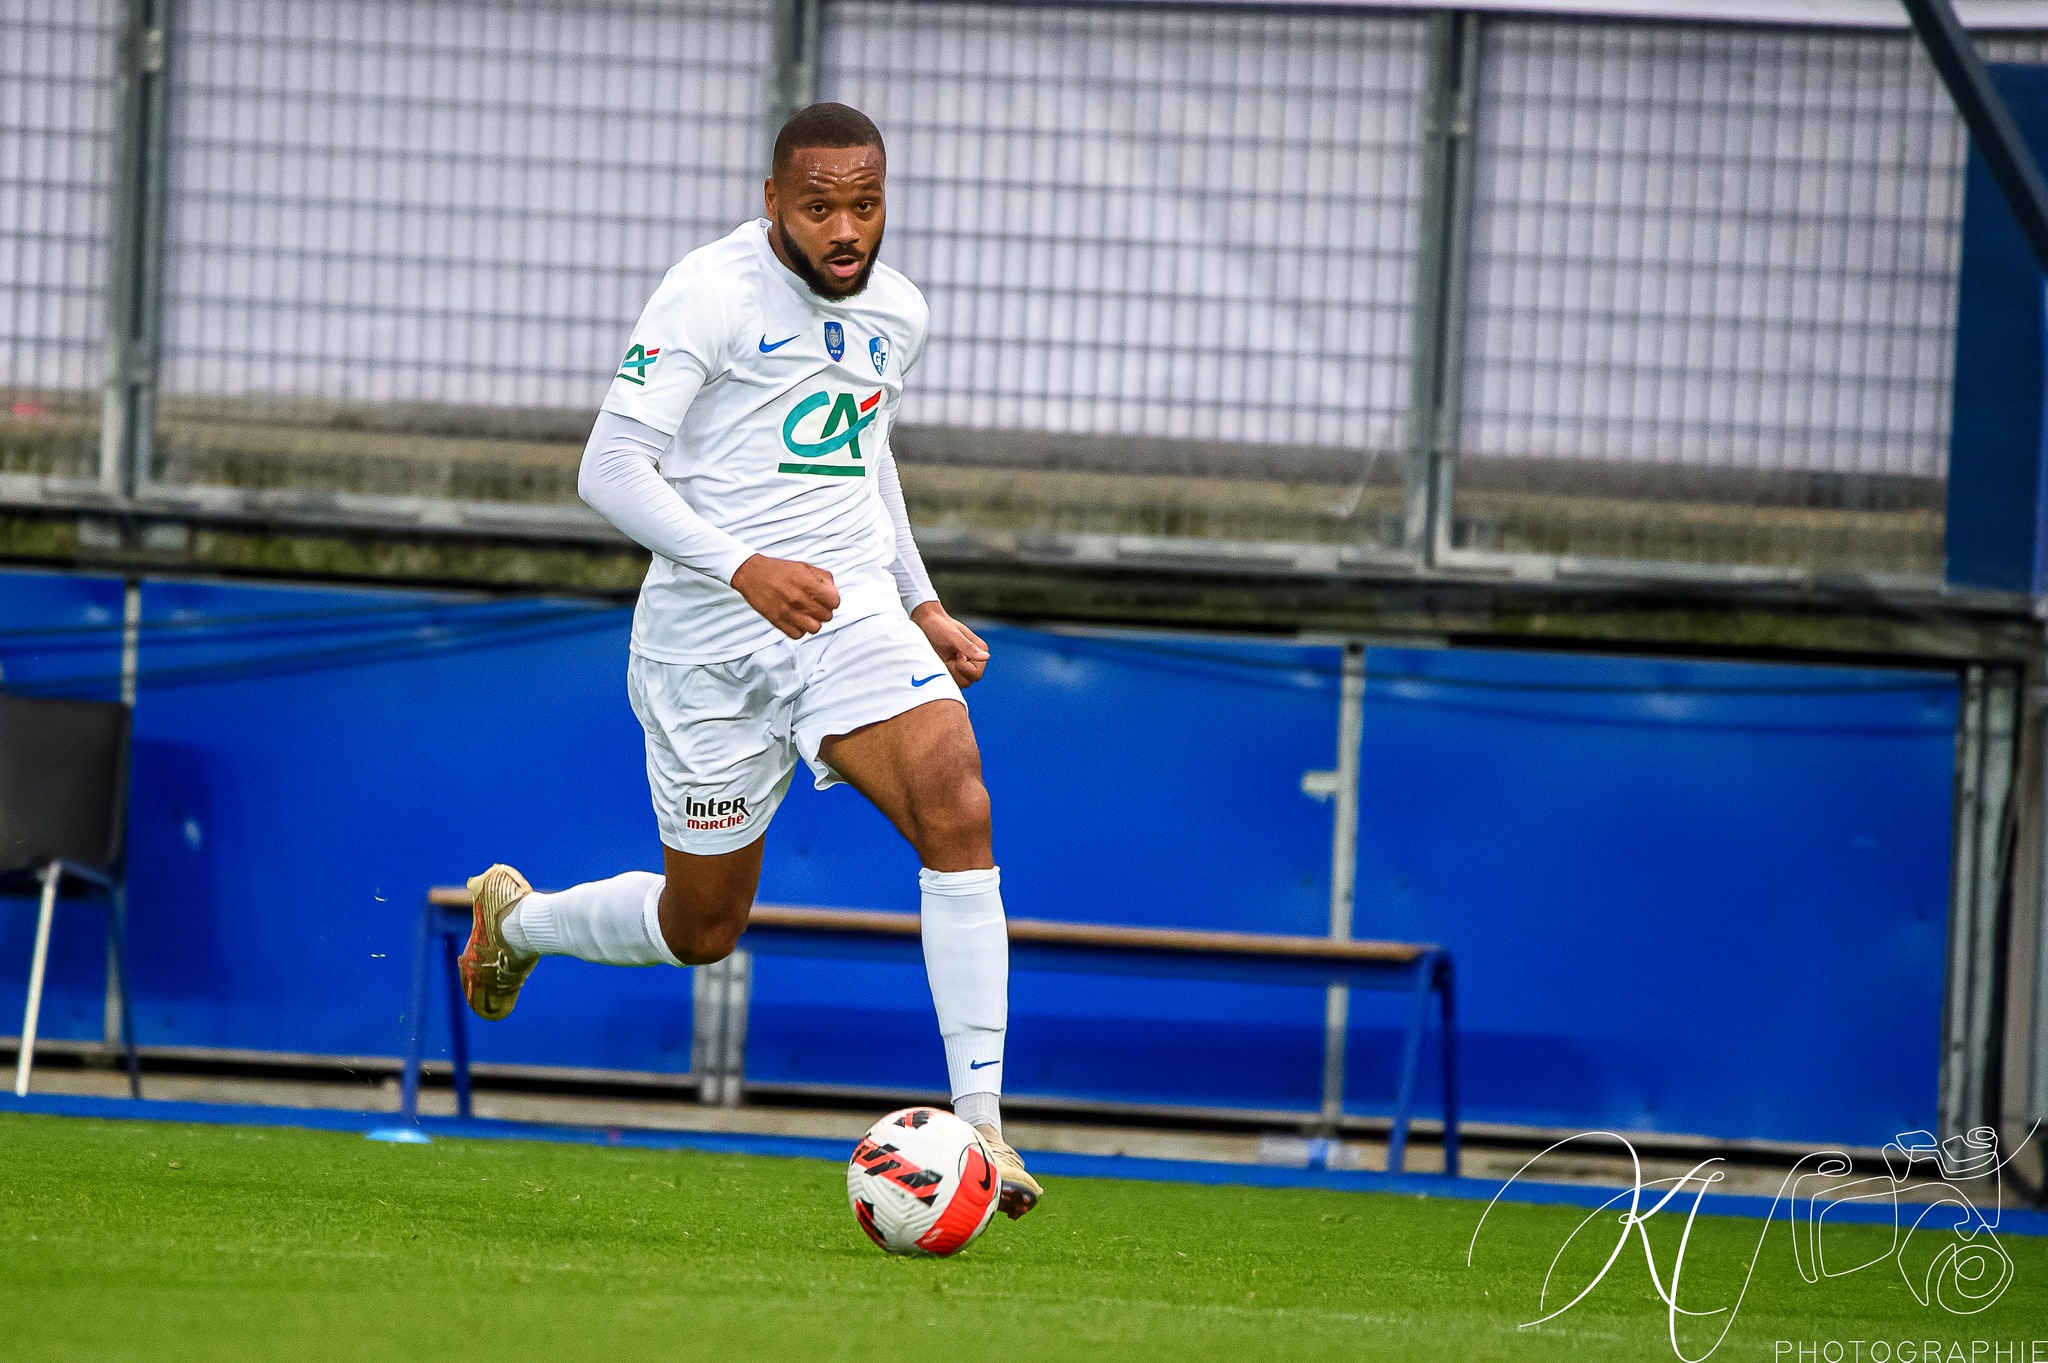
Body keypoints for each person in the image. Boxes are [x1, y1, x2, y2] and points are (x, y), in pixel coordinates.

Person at [457, 102, 1039, 1218]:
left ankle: (984, 1126)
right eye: (819, 206)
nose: (844, 230)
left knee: (956, 801)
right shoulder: (709, 293)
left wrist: (918, 602)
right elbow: (610, 467)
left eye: (863, 205)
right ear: (772, 200)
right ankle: (517, 922)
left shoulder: (898, 312)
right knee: (703, 929)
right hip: (707, 647)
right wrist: (739, 566)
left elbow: (865, 456)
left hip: (843, 617)